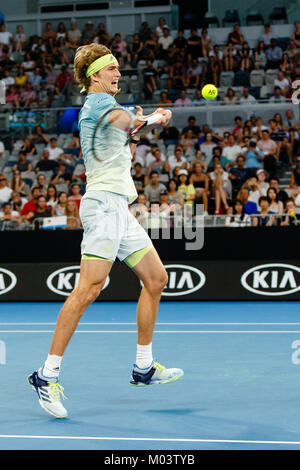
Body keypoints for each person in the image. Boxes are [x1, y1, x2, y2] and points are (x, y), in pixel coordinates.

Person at [28, 43, 183, 418]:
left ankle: (143, 367)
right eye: (111, 68)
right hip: (101, 207)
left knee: (156, 279)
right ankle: (45, 376)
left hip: (119, 209)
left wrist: (135, 130)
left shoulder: (105, 108)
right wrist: (156, 118)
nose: (118, 74)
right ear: (95, 75)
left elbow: (121, 135)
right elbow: (124, 122)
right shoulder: (98, 104)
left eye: (118, 68)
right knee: (89, 289)